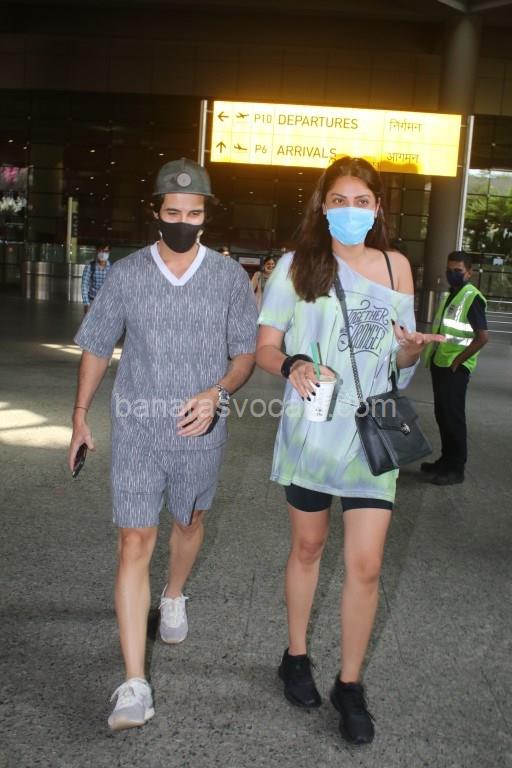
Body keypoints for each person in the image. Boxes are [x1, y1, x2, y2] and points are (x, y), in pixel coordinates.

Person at [255, 156, 443, 745]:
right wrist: (293, 363)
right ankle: (295, 655)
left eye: (362, 201)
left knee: (366, 565)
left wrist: (411, 350)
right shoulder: (297, 265)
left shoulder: (395, 266)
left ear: (378, 208)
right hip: (313, 430)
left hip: (372, 429)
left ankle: (350, 683)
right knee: (308, 547)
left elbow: (401, 362)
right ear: (323, 205)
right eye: (339, 200)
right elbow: (265, 346)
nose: (350, 211)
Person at [68, 157, 258, 731]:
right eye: (172, 212)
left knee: (189, 520)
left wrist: (218, 392)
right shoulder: (127, 274)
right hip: (136, 429)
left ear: (206, 215)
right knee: (133, 541)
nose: (182, 222)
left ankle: (173, 592)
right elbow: (97, 345)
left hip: (201, 429)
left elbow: (244, 354)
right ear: (156, 211)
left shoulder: (228, 278)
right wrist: (79, 416)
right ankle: (134, 684)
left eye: (193, 214)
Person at [421, 250, 488, 485]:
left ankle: (456, 468)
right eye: (449, 270)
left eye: (458, 271)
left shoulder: (472, 297)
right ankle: (446, 460)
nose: (452, 274)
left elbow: (482, 337)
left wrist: (458, 362)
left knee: (453, 417)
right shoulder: (453, 294)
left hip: (455, 367)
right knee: (443, 415)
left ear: (469, 273)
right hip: (441, 362)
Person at [81, 244, 111, 313]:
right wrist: (86, 303)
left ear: (109, 252)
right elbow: (84, 285)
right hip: (92, 302)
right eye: (101, 251)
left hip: (107, 302)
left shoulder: (112, 267)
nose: (103, 254)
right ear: (97, 251)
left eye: (106, 251)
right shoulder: (90, 266)